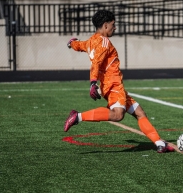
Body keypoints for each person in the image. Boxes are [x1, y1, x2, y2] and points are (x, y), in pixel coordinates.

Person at [63, 9, 174, 153]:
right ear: (105, 25)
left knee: (140, 113)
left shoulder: (91, 41)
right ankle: (77, 117)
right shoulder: (103, 42)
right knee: (117, 115)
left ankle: (159, 143)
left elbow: (79, 45)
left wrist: (72, 43)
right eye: (113, 24)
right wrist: (92, 82)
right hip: (114, 84)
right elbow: (96, 63)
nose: (115, 27)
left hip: (111, 85)